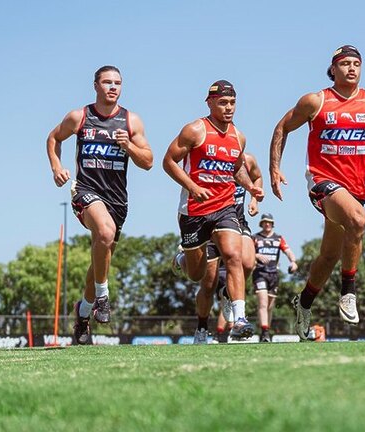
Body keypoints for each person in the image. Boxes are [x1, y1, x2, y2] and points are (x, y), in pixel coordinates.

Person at [269, 45, 365, 341]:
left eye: (357, 63)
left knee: (328, 256)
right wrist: (274, 169)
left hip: (354, 187)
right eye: (345, 64)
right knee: (358, 219)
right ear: (333, 69)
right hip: (322, 182)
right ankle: (348, 291)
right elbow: (282, 127)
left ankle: (303, 303)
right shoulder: (316, 101)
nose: (351, 68)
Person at [46, 65, 153, 345]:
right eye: (107, 82)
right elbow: (53, 138)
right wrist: (57, 165)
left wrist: (128, 146)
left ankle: (82, 314)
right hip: (86, 191)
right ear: (96, 85)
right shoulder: (80, 117)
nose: (113, 87)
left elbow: (149, 162)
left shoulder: (131, 121)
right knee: (104, 233)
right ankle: (103, 298)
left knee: (100, 258)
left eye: (117, 83)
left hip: (118, 199)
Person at [163, 80, 263, 341]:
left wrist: (251, 188)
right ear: (210, 103)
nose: (229, 108)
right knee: (197, 276)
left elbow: (237, 168)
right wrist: (192, 186)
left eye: (232, 102)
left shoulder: (237, 136)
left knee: (234, 256)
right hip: (194, 210)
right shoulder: (195, 130)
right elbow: (168, 161)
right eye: (223, 102)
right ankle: (182, 259)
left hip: (225, 207)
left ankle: (240, 318)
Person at [191, 153, 263, 344]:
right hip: (211, 224)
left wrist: (254, 199)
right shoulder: (210, 161)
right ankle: (202, 327)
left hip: (236, 221)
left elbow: (257, 177)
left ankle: (227, 294)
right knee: (208, 285)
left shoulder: (248, 160)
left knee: (248, 262)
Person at [252, 213, 298, 342]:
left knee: (270, 306)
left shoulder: (278, 238)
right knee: (262, 303)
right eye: (265, 222)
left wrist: (293, 262)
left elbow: (288, 251)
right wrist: (256, 255)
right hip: (260, 273)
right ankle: (265, 332)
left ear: (272, 224)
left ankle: (265, 329)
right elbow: (247, 252)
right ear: (261, 223)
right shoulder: (255, 237)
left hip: (274, 274)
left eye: (269, 222)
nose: (267, 224)